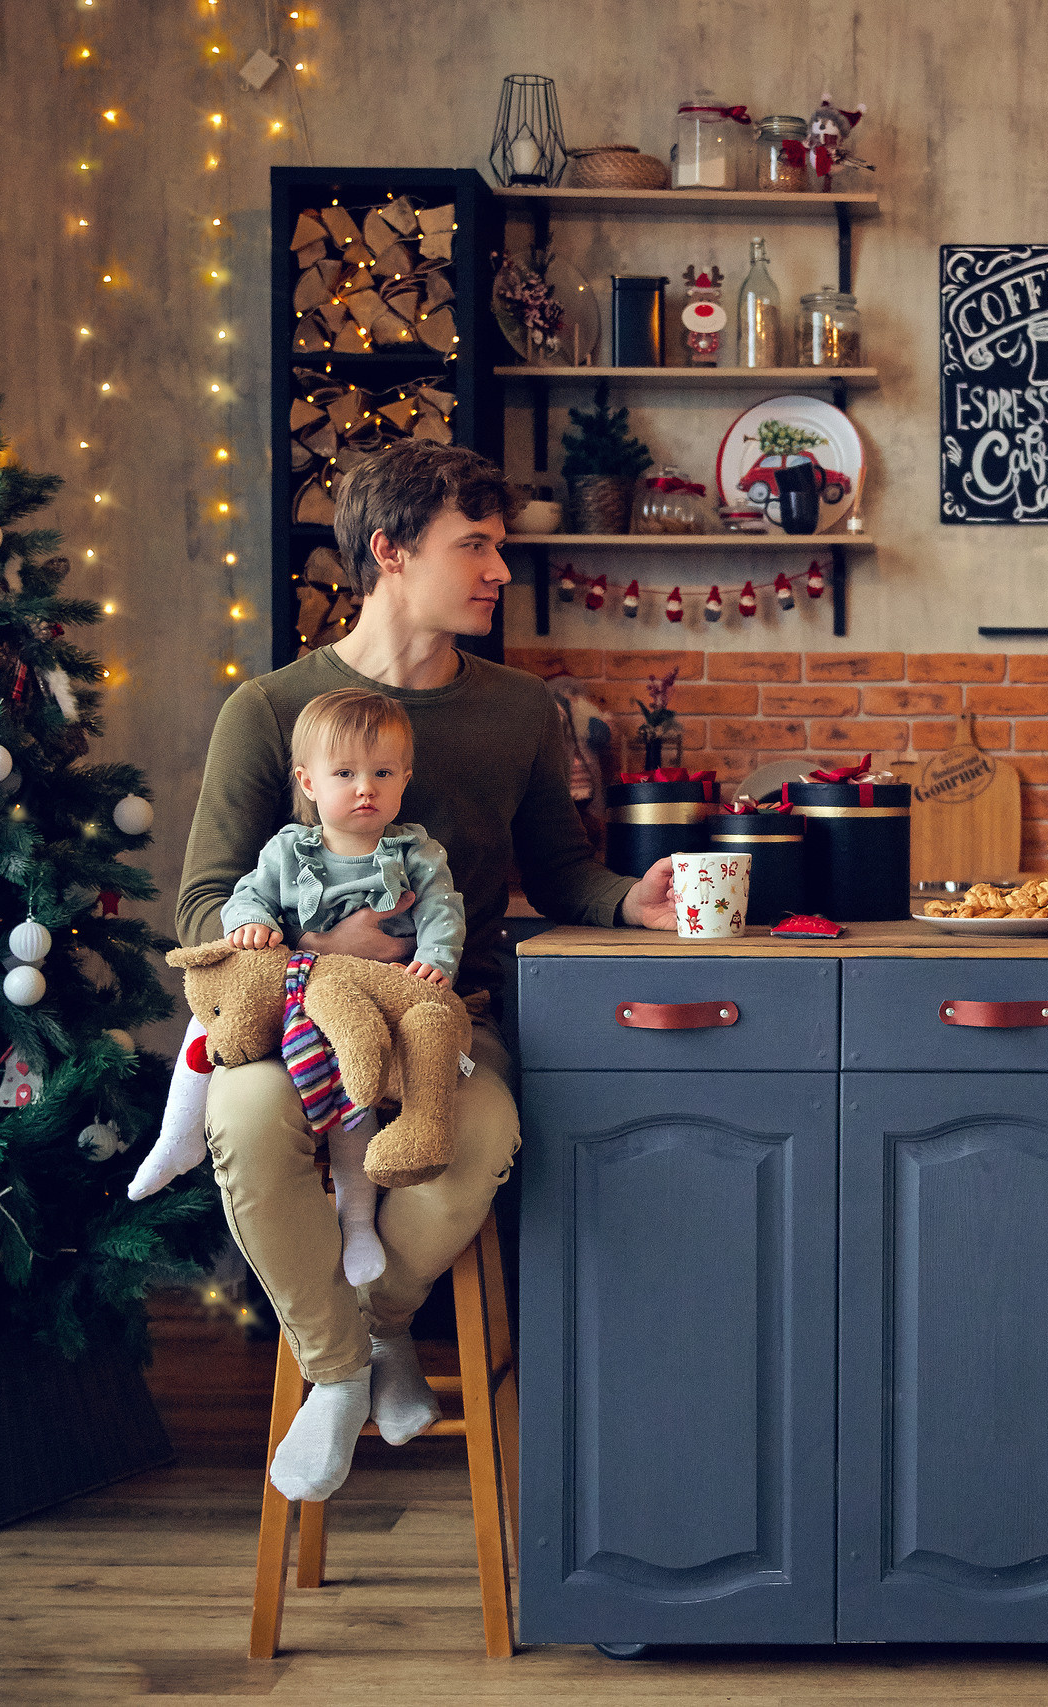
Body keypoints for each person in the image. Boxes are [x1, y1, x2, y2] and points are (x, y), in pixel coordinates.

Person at [161, 440, 676, 1504]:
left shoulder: (520, 711)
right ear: (390, 551)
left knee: (475, 1142)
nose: (499, 570)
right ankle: (343, 1373)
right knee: (244, 1124)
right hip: (295, 1020)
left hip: (448, 1017)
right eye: (474, 545)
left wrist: (630, 900)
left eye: (498, 546)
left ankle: (371, 1328)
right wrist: (319, 954)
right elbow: (203, 905)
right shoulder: (269, 711)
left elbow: (562, 872)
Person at [220, 687, 463, 1289]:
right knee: (214, 1028)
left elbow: (442, 912)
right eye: (345, 774)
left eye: (383, 773)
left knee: (357, 1090)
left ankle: (358, 1220)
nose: (365, 789)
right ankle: (176, 1138)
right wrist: (251, 924)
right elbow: (244, 898)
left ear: (405, 779)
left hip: (380, 998)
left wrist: (435, 961)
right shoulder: (288, 850)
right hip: (305, 992)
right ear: (308, 782)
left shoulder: (416, 852)